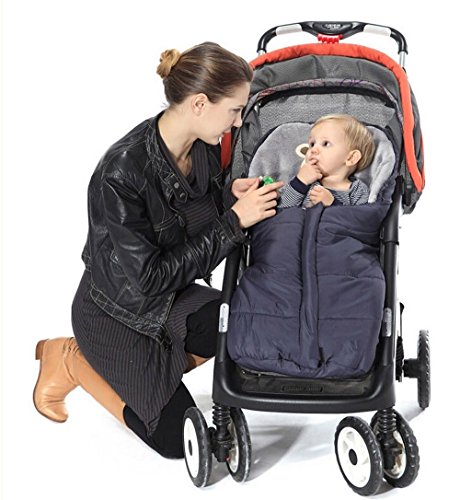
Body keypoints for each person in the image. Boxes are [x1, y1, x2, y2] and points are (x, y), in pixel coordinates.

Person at [33, 42, 283, 459]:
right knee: (175, 442)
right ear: (200, 103)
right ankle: (72, 358)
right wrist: (234, 222)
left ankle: (156, 366)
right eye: (235, 110)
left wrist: (229, 198)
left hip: (171, 298)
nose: (238, 122)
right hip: (117, 313)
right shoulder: (120, 173)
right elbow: (149, 278)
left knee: (242, 326)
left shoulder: (203, 146)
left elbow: (191, 215)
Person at [278, 114, 375, 209]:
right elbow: (281, 210)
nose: (313, 150)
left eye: (325, 144)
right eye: (312, 144)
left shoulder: (357, 190)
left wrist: (332, 204)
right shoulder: (306, 182)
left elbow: (359, 217)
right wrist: (300, 182)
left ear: (351, 158)